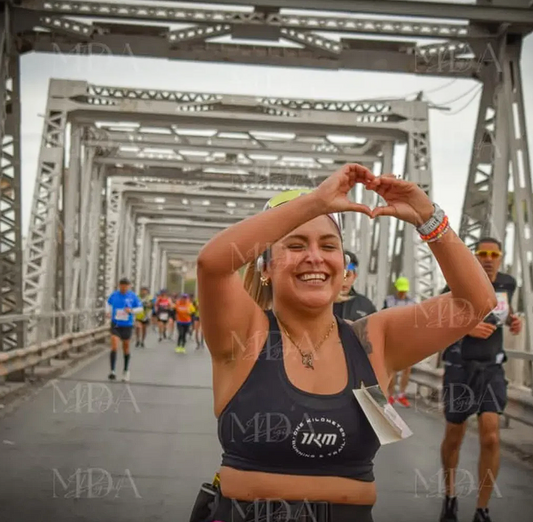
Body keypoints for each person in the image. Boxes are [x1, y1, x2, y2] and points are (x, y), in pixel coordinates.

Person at [191, 164, 496, 522]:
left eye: (329, 245)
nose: (315, 257)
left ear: (344, 267)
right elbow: (212, 265)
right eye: (295, 244)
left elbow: (476, 303)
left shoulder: (373, 340)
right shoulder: (246, 334)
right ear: (266, 268)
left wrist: (428, 218)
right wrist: (316, 203)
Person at [439, 237, 522, 522]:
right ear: (475, 256)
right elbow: (436, 319)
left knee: (490, 435)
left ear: (501, 256)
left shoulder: (508, 283)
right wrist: (467, 328)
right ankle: (450, 497)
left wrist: (513, 320)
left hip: (491, 367)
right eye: (482, 253)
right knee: (454, 436)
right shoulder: (457, 282)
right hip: (459, 367)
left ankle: (482, 509)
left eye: (493, 254)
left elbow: (504, 312)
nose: (488, 258)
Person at [383, 277, 417, 406]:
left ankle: (401, 394)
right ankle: (391, 395)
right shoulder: (389, 301)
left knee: (407, 368)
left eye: (404, 290)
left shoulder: (412, 302)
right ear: (397, 288)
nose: (403, 293)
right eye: (401, 290)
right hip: (393, 337)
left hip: (407, 338)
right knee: (392, 368)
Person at [106, 278, 143, 382]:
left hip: (127, 324)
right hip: (116, 323)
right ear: (119, 285)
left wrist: (131, 310)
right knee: (114, 344)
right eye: (122, 285)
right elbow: (108, 303)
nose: (124, 287)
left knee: (126, 347)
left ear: (129, 286)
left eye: (126, 285)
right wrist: (108, 312)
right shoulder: (114, 295)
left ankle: (126, 370)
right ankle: (112, 371)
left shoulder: (133, 296)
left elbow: (140, 308)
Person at [333, 250, 377, 321]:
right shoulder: (321, 304)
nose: (344, 280)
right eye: (340, 275)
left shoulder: (366, 305)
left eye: (348, 275)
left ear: (354, 276)